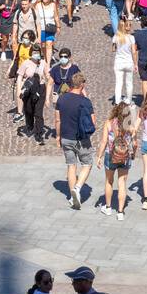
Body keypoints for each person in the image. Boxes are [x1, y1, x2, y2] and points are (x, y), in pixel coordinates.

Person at [56, 71, 96, 210]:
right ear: (82, 85)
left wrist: (58, 136)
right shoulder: (85, 101)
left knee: (71, 166)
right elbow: (92, 122)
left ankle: (73, 196)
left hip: (66, 137)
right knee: (87, 163)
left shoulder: (61, 99)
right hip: (81, 139)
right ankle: (77, 188)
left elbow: (58, 120)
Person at [95, 102, 138, 220]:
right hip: (125, 157)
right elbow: (134, 144)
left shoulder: (108, 124)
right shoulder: (130, 126)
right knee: (122, 183)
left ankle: (108, 208)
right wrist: (133, 153)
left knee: (109, 181)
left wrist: (99, 157)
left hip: (110, 155)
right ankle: (120, 212)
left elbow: (104, 142)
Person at [111, 15, 137, 106]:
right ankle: (128, 100)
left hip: (118, 62)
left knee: (119, 83)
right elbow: (134, 52)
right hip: (129, 62)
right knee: (129, 82)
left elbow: (113, 49)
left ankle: (117, 101)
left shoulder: (116, 37)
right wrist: (135, 64)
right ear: (127, 27)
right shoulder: (131, 38)